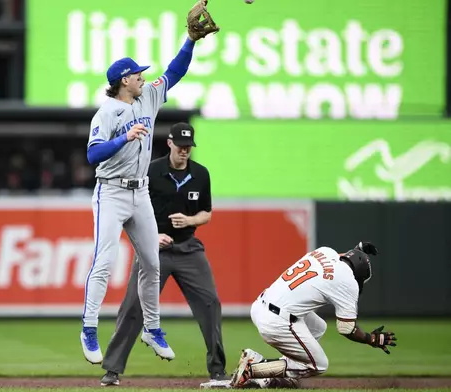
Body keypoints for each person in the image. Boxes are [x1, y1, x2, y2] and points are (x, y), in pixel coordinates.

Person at [80, 7, 213, 365]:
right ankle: (89, 327)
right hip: (110, 191)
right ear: (125, 80)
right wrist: (124, 138)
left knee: (152, 263)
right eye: (138, 74)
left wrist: (190, 41)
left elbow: (174, 72)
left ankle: (152, 329)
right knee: (104, 262)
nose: (143, 77)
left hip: (139, 192)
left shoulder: (149, 97)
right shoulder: (107, 112)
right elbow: (93, 154)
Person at [100, 123, 229, 386]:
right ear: (169, 143)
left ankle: (217, 370)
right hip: (153, 250)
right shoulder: (150, 171)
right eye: (180, 146)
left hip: (188, 248)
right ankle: (112, 370)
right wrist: (151, 236)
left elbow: (207, 213)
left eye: (188, 147)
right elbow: (128, 210)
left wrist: (191, 220)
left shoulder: (201, 174)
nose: (184, 151)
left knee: (211, 303)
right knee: (134, 307)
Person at [200, 242, 398, 389]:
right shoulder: (349, 282)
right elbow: (346, 328)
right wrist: (371, 339)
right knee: (318, 365)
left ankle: (272, 376)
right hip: (277, 321)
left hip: (261, 305)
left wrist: (359, 248)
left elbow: (344, 256)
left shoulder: (326, 252)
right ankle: (254, 368)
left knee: (318, 327)